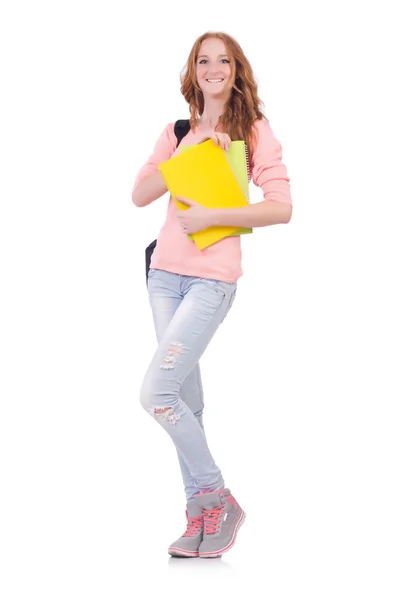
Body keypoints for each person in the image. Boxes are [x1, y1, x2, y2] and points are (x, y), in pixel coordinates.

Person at [131, 31, 292, 559]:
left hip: (210, 282)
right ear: (193, 70)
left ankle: (218, 497)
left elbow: (280, 206)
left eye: (223, 60)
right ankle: (201, 516)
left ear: (236, 69)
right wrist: (190, 147)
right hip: (163, 277)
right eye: (204, 60)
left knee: (156, 394)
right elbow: (140, 195)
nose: (213, 68)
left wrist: (215, 216)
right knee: (185, 403)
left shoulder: (255, 130)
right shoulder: (177, 129)